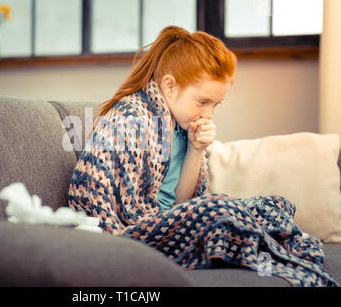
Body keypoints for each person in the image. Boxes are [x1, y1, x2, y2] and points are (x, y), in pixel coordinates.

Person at [68, 25, 338, 287]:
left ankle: (266, 254)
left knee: (271, 205)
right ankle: (267, 257)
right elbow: (93, 184)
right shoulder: (132, 117)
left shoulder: (183, 129)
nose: (208, 114)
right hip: (142, 228)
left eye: (215, 104)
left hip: (173, 222)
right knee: (220, 208)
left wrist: (196, 150)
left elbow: (182, 203)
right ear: (170, 86)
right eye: (203, 102)